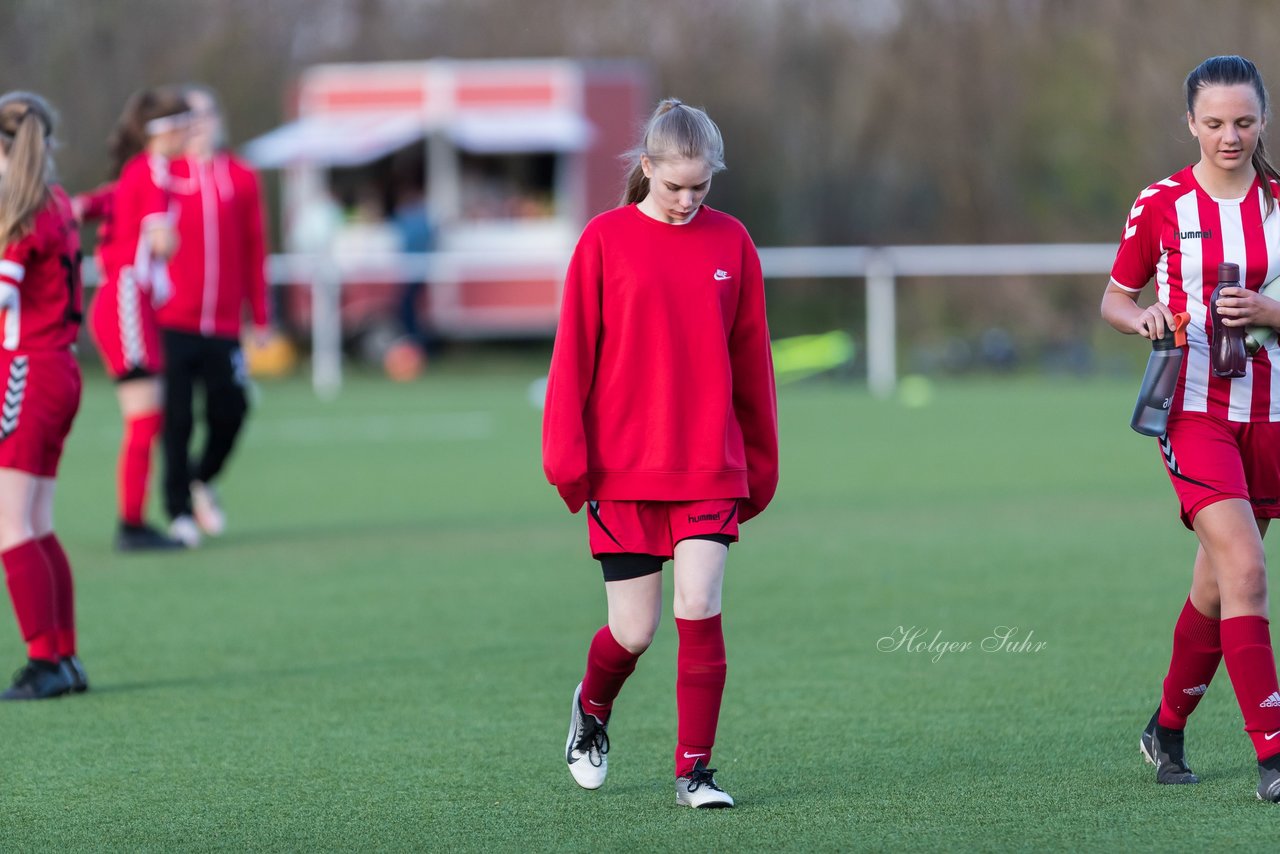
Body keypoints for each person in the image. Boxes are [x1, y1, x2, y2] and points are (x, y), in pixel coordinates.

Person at [542, 99, 778, 808]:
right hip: (622, 471)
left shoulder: (733, 242)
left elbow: (752, 361)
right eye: (675, 185)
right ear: (646, 168)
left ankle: (695, 771)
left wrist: (760, 464)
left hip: (709, 462)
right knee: (633, 631)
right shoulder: (603, 241)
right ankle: (592, 707)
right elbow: (572, 359)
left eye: (701, 187)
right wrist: (566, 460)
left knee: (700, 604)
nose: (687, 200)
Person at [1101, 55, 1280, 802]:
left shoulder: (1279, 204)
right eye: (1214, 123)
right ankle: (1273, 754)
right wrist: (1142, 316)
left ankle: (1166, 727)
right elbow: (1114, 296)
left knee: (1216, 586)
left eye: (1242, 122)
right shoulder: (1163, 202)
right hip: (1195, 411)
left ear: (1262, 119)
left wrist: (1271, 314)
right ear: (1190, 124)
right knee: (1246, 571)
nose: (1229, 136)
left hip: (1271, 418)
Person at [0, 92, 88, 698]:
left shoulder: (20, 209)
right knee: (37, 522)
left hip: (27, 372)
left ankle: (45, 664)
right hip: (60, 368)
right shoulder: (54, 202)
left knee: (10, 527)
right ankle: (64, 657)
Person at [160, 85, 269, 547]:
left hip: (224, 324)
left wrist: (260, 317)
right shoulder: (165, 175)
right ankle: (178, 511)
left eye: (207, 113)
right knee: (178, 418)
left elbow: (254, 249)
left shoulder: (242, 177)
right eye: (192, 116)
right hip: (171, 320)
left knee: (232, 408)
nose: (202, 123)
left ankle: (201, 479)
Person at [84, 86, 190, 551]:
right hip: (127, 298)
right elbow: (162, 241)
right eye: (184, 123)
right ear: (166, 131)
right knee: (145, 418)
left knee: (150, 416)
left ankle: (135, 521)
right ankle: (131, 525)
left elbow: (90, 206)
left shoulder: (139, 171)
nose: (191, 131)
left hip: (131, 299)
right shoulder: (154, 170)